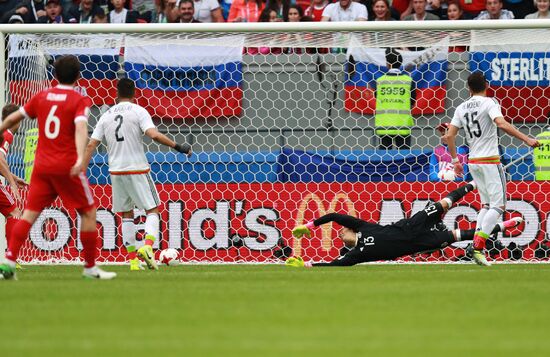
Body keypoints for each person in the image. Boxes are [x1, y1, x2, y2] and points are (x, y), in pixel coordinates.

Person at [0, 55, 116, 280]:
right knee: (89, 212)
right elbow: (81, 129)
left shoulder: (42, 96)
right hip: (65, 166)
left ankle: (9, 261)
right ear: (78, 76)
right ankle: (91, 267)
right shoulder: (78, 100)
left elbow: (16, 115)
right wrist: (80, 160)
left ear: (54, 75)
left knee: (28, 215)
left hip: (42, 167)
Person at [83, 78, 192, 271]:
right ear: (134, 93)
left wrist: (81, 169)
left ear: (116, 94)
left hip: (115, 171)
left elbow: (92, 144)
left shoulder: (106, 115)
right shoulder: (138, 111)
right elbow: (154, 135)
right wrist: (179, 147)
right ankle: (148, 247)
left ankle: (133, 261)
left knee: (127, 214)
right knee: (153, 210)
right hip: (137, 168)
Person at [286, 182, 524, 267]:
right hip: (418, 243)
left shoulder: (364, 227)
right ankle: (503, 227)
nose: (341, 232)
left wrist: (311, 225)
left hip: (410, 225)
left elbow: (335, 215)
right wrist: (307, 265)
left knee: (443, 203)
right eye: (340, 234)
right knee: (461, 235)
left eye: (343, 230)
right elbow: (333, 266)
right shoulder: (356, 254)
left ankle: (473, 183)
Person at [445, 72, 540, 266]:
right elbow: (501, 124)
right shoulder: (490, 103)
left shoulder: (461, 107)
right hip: (489, 160)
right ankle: (477, 247)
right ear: (486, 85)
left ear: (468, 88)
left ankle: (475, 245)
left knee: (486, 206)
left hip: (473, 162)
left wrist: (455, 161)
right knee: (499, 206)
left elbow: (448, 136)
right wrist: (527, 139)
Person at [0, 104, 26, 268]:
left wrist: (14, 178)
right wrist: (11, 182)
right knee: (14, 212)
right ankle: (11, 259)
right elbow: (0, 160)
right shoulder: (7, 134)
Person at [375, 48, 415, 150]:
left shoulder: (380, 81)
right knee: (404, 159)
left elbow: (377, 98)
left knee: (384, 159)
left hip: (384, 124)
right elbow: (412, 101)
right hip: (403, 124)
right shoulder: (408, 80)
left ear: (387, 64)